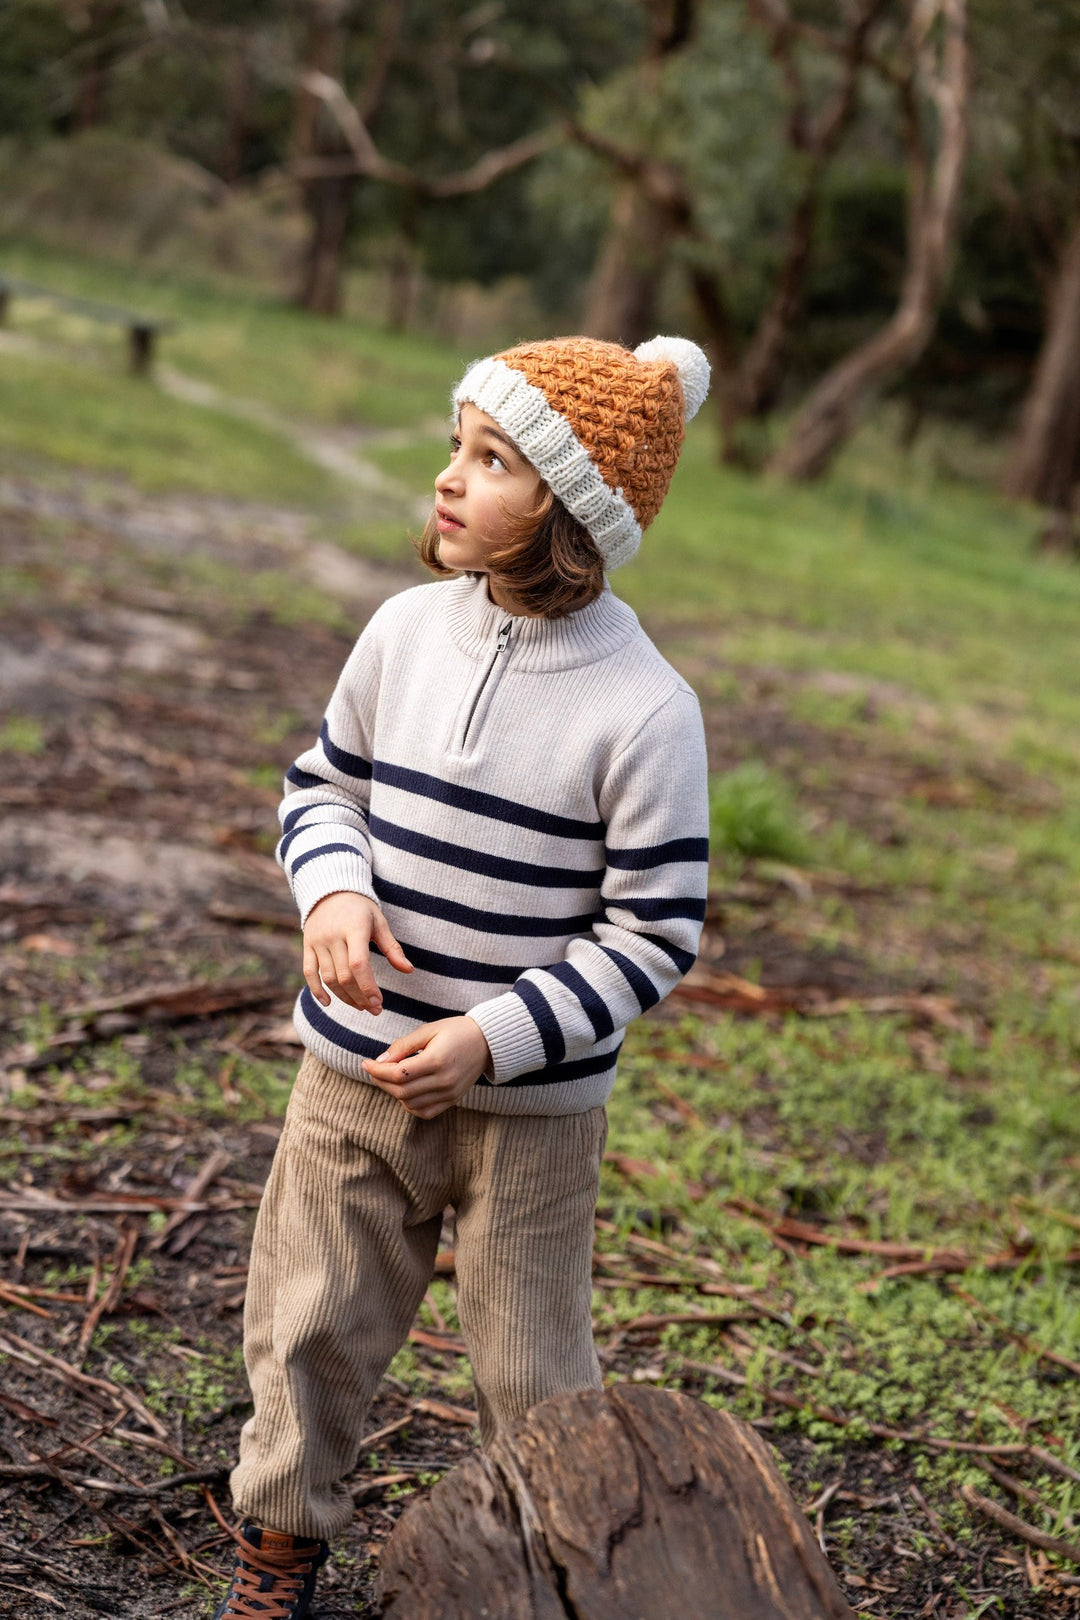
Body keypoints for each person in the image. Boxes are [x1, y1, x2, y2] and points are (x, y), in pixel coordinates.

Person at [211, 334, 712, 1619]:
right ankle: (280, 1550)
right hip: (353, 1075)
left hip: (528, 1120)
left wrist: (496, 1038)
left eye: (493, 461)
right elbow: (323, 787)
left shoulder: (645, 711)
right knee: (308, 1323)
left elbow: (655, 932)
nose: (449, 478)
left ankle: (559, 1576)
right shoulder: (400, 634)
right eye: (455, 445)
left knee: (534, 1373)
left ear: (573, 513)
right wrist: (332, 889)